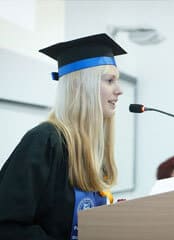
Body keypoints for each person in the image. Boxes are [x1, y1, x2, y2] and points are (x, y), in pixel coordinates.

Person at [0, 33, 127, 240]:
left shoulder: (92, 149)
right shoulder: (45, 141)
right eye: (110, 80)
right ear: (82, 86)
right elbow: (7, 224)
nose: (119, 90)